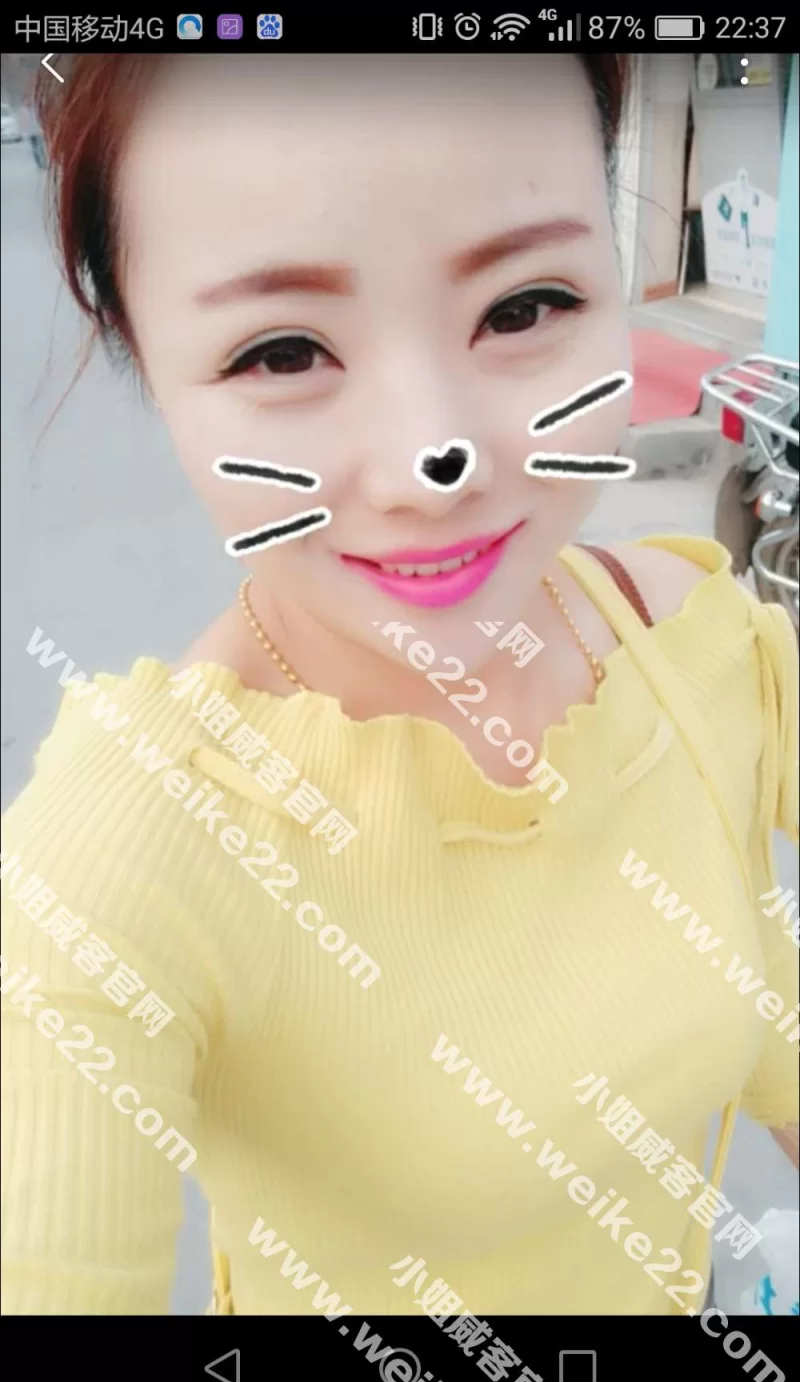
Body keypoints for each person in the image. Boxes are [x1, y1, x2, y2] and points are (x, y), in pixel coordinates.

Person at [1, 51, 797, 1318]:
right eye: (282, 350)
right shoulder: (121, 862)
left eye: (523, 306)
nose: (437, 459)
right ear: (141, 351)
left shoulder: (703, 644)